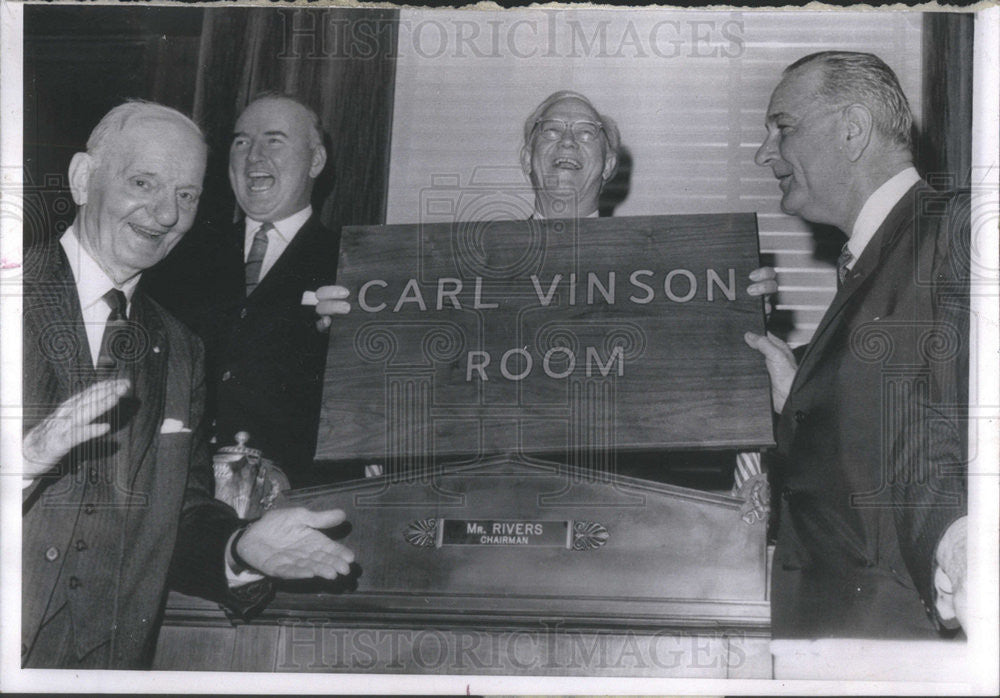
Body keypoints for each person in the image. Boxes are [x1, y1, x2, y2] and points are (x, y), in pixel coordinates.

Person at [21, 101, 356, 669]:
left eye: (186, 195)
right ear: (83, 179)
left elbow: (179, 512)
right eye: (142, 182)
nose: (164, 213)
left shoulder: (180, 349)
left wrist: (240, 545)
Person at [744, 51, 969, 637]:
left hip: (902, 639)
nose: (765, 152)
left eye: (782, 127)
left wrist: (963, 548)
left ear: (852, 129)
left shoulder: (958, 229)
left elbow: (952, 431)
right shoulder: (879, 252)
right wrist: (799, 398)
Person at [144, 94, 350, 487]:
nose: (253, 156)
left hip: (300, 495)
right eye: (241, 142)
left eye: (274, 140)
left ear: (316, 162)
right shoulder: (178, 252)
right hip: (185, 492)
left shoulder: (351, 263)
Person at [520, 90, 620, 219]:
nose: (567, 140)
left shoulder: (644, 238)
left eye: (586, 132)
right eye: (552, 130)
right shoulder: (488, 238)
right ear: (527, 159)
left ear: (608, 165)